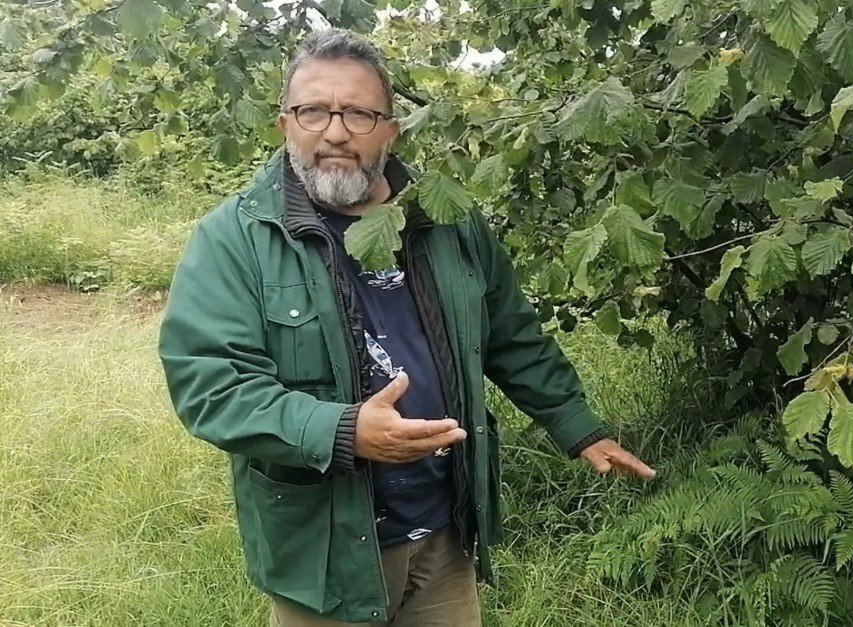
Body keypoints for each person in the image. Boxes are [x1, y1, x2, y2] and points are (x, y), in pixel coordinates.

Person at [158, 28, 654, 626]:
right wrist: (343, 431)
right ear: (285, 123)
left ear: (390, 130)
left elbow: (510, 334)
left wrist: (576, 427)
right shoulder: (235, 239)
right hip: (327, 552)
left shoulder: (446, 219)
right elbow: (212, 387)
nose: (336, 132)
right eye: (314, 110)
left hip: (447, 534)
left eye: (359, 114)